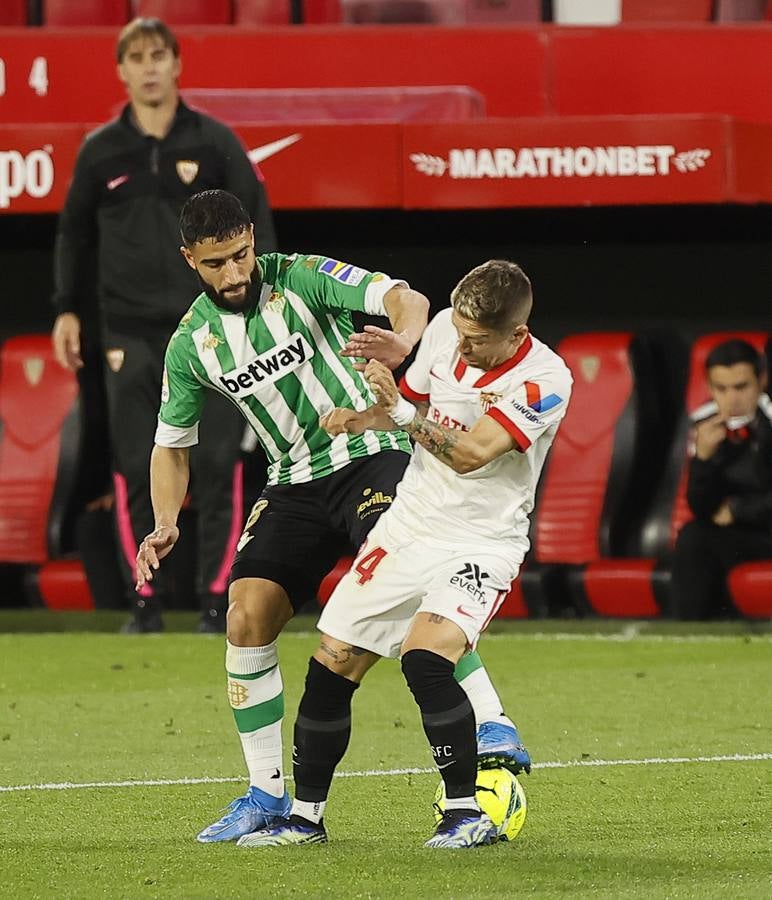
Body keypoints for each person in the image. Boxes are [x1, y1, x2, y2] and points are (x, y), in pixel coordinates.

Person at [134, 191, 530, 845]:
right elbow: (171, 445)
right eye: (215, 263)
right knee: (246, 616)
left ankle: (492, 722)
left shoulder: (303, 277)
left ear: (253, 239)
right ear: (189, 260)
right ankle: (266, 795)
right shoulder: (191, 344)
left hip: (371, 453)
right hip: (293, 481)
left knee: (404, 573)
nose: (233, 273)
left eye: (241, 255)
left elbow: (404, 297)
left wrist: (402, 339)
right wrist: (165, 520)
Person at [238, 260, 572, 850]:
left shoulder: (544, 380)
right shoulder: (445, 328)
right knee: (331, 662)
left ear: (517, 333)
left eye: (477, 340)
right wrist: (358, 418)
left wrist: (397, 415)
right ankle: (306, 819)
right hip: (408, 527)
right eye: (459, 332)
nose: (462, 347)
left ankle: (464, 813)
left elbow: (470, 454)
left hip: (480, 541)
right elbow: (411, 400)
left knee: (425, 657)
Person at [51, 17, 276, 633]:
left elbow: (257, 225)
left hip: (214, 330)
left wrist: (262, 305)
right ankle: (144, 602)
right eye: (137, 57)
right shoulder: (100, 151)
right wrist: (66, 307)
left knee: (221, 464)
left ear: (177, 64)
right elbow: (73, 235)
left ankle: (217, 600)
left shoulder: (216, 142)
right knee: (133, 464)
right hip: (127, 332)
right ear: (121, 70)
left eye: (158, 55)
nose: (149, 67)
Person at [671, 339, 772, 620]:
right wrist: (704, 459)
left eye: (741, 387)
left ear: (762, 380)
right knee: (693, 537)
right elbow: (700, 508)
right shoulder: (704, 424)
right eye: (721, 389)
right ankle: (691, 633)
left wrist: (738, 510)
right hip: (743, 535)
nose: (732, 399)